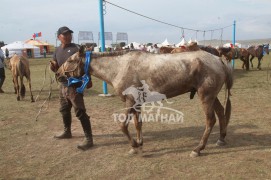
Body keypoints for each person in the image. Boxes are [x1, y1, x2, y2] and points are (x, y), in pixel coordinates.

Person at [50, 26, 93, 150]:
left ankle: (89, 138)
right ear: (59, 37)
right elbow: (56, 66)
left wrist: (88, 79)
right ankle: (67, 131)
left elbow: (86, 65)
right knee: (64, 109)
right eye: (65, 34)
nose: (68, 36)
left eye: (69, 34)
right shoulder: (57, 50)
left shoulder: (77, 49)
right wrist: (53, 67)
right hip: (62, 85)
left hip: (75, 85)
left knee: (79, 111)